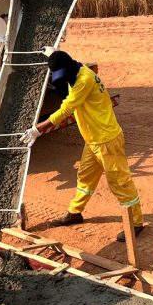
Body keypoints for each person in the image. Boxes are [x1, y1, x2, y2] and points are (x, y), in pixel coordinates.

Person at [20, 50, 143, 243]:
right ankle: (75, 212)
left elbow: (67, 108)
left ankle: (136, 222)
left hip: (106, 140)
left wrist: (38, 129)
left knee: (120, 181)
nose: (63, 79)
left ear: (70, 67)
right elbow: (64, 63)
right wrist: (52, 54)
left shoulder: (84, 80)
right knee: (85, 176)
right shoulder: (78, 69)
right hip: (93, 139)